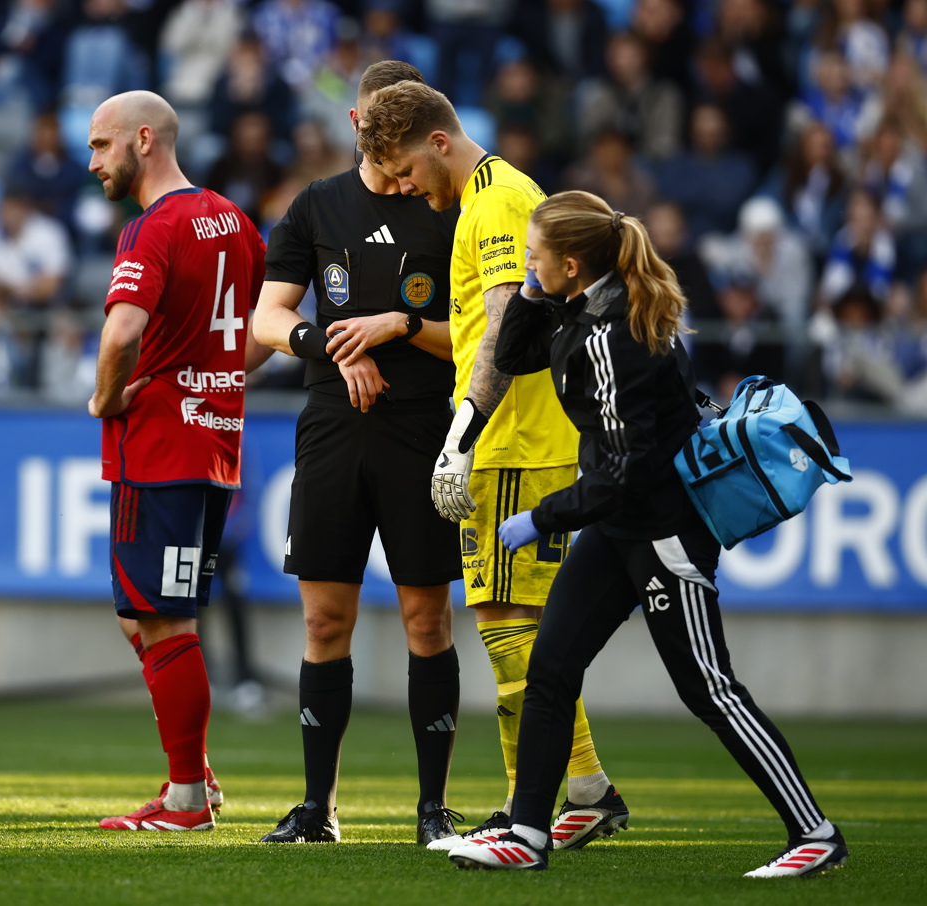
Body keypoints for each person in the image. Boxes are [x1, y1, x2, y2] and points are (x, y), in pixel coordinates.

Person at [443, 189, 846, 878]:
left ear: (573, 265)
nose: (526, 264)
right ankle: (528, 834)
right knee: (551, 670)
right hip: (617, 525)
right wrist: (529, 293)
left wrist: (541, 518)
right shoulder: (575, 308)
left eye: (537, 256)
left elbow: (622, 471)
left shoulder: (614, 335)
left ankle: (815, 832)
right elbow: (508, 352)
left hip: (663, 532)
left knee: (708, 687)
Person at [356, 79, 626, 853]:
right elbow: (488, 328)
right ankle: (577, 791)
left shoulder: (501, 202)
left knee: (511, 623)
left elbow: (509, 328)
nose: (404, 187)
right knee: (510, 622)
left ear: (440, 141)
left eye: (406, 170)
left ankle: (532, 804)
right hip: (511, 438)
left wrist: (461, 436)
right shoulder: (485, 198)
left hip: (515, 442)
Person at [251, 60, 465, 847]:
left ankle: (433, 810)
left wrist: (400, 327)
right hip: (334, 428)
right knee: (323, 618)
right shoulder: (316, 206)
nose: (389, 147)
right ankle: (318, 808)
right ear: (358, 124)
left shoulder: (451, 207)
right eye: (377, 129)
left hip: (419, 428)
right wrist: (330, 346)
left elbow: (480, 336)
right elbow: (267, 321)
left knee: (426, 617)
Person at [86, 90, 272, 832]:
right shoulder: (235, 221)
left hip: (158, 450)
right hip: (214, 446)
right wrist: (220, 374)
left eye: (101, 145)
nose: (93, 161)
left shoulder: (151, 228)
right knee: (144, 611)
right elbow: (265, 327)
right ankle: (193, 773)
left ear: (143, 140)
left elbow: (120, 334)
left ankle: (186, 799)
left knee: (162, 621)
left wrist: (106, 399)